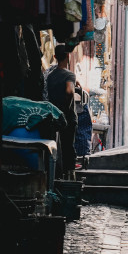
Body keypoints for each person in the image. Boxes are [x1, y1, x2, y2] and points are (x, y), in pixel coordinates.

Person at [45, 45, 77, 178]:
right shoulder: (70, 75)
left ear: (55, 57)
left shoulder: (50, 76)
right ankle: (70, 177)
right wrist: (67, 107)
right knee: (68, 146)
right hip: (67, 117)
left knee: (55, 147)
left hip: (54, 117)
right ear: (68, 56)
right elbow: (69, 91)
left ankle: (56, 176)